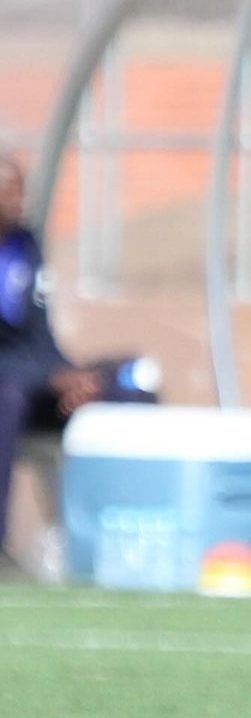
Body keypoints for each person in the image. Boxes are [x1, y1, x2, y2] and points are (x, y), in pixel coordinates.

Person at [0, 154, 156, 573]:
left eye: (22, 190)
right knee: (7, 399)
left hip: (40, 383)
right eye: (10, 191)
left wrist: (77, 379)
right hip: (14, 390)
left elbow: (40, 337)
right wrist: (50, 377)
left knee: (132, 379)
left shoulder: (25, 245)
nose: (20, 200)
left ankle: (127, 542)